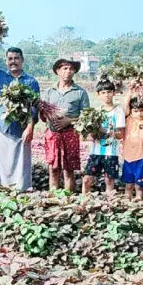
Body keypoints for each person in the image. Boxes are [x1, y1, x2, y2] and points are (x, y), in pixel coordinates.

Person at [0, 46, 40, 190]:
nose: (13, 62)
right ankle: (0, 189)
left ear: (22, 60)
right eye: (10, 59)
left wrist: (30, 127)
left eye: (17, 58)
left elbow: (35, 107)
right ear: (6, 61)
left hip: (22, 129)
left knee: (21, 164)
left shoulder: (31, 82)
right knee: (1, 164)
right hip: (2, 127)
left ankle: (22, 191)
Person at [44, 58, 90, 192]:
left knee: (68, 170)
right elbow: (43, 112)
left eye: (71, 69)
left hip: (70, 134)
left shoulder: (80, 92)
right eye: (64, 68)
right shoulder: (49, 92)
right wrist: (49, 115)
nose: (68, 72)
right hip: (52, 134)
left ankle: (67, 201)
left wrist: (68, 121)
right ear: (57, 71)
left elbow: (86, 116)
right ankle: (53, 199)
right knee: (53, 168)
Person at [82, 79, 124, 195]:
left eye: (109, 92)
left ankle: (109, 205)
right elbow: (91, 136)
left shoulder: (118, 110)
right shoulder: (96, 111)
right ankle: (83, 202)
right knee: (87, 179)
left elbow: (121, 134)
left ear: (114, 93)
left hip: (111, 152)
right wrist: (92, 132)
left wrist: (107, 131)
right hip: (95, 151)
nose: (106, 95)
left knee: (109, 180)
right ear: (98, 94)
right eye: (103, 92)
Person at [121, 82, 143, 200]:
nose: (139, 113)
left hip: (142, 158)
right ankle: (126, 206)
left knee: (139, 187)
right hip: (128, 158)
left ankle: (140, 206)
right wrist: (130, 90)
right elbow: (125, 105)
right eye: (136, 111)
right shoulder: (127, 119)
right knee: (128, 186)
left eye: (142, 110)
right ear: (131, 111)